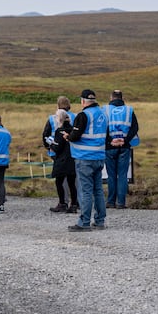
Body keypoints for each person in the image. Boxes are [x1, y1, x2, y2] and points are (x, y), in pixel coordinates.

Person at [63, 89, 108, 231]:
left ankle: (84, 222)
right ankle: (100, 220)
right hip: (99, 157)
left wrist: (67, 136)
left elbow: (75, 135)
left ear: (83, 101)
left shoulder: (83, 115)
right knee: (98, 190)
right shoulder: (103, 113)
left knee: (85, 190)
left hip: (84, 158)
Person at [103, 89, 140, 209]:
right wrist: (125, 140)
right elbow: (135, 127)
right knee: (123, 175)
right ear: (122, 98)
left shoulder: (105, 110)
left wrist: (110, 140)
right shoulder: (129, 110)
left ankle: (110, 201)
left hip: (110, 147)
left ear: (111, 97)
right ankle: (121, 203)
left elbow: (102, 127)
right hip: (125, 146)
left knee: (111, 175)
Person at [48, 109, 79, 213]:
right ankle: (74, 204)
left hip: (61, 160)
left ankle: (62, 203)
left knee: (59, 182)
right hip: (72, 159)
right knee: (72, 183)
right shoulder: (72, 129)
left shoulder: (59, 131)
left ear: (59, 119)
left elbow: (58, 147)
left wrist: (51, 144)